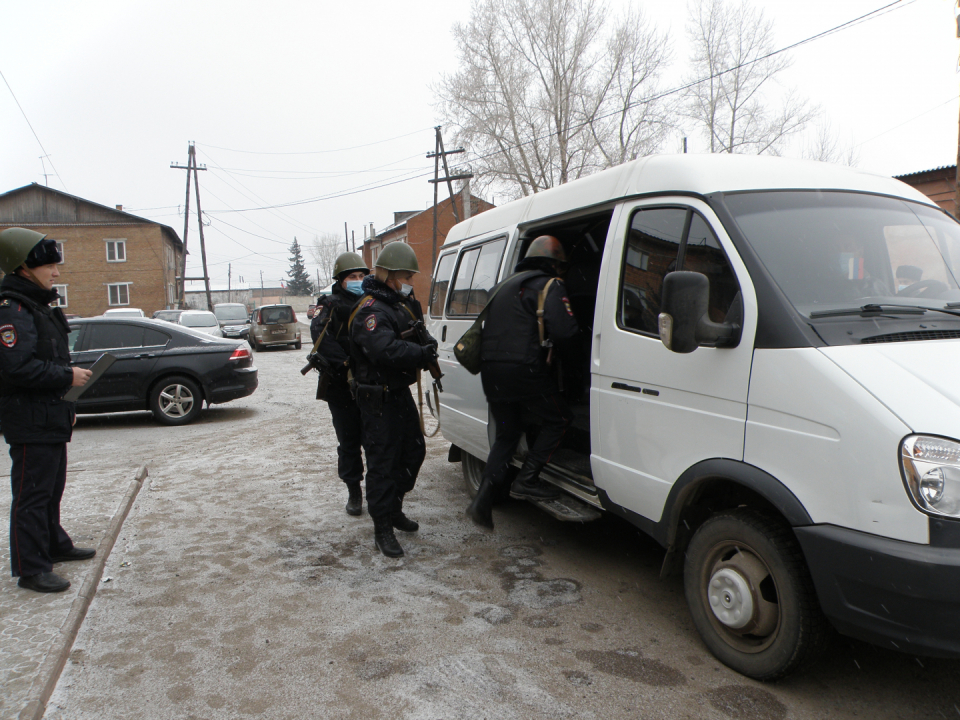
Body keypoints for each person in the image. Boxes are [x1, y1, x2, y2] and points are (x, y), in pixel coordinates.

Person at [0, 228, 95, 593]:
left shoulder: (36, 305)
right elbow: (17, 368)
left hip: (50, 414)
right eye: (49, 266)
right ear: (24, 266)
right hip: (29, 417)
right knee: (32, 494)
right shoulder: (12, 310)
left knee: (51, 489)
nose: (56, 272)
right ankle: (32, 568)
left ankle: (54, 544)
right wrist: (67, 375)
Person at [465, 235, 580, 530]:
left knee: (507, 434)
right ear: (554, 263)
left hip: (491, 372)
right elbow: (566, 333)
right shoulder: (550, 285)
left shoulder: (503, 286)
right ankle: (527, 480)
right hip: (525, 371)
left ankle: (482, 502)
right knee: (560, 418)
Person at [349, 242, 437, 558]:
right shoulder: (371, 310)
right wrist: (418, 353)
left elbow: (411, 334)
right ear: (388, 275)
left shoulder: (399, 305)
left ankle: (395, 507)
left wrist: (424, 343)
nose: (407, 281)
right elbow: (384, 350)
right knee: (382, 464)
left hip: (398, 394)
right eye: (403, 276)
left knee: (414, 451)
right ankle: (382, 527)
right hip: (377, 399)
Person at [310, 252, 369, 516]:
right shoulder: (330, 304)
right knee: (349, 440)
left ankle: (380, 490)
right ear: (341, 280)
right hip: (341, 386)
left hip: (370, 384)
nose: (358, 281)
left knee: (376, 440)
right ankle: (354, 490)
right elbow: (320, 337)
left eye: (361, 276)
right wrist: (347, 364)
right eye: (352, 277)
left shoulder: (372, 301)